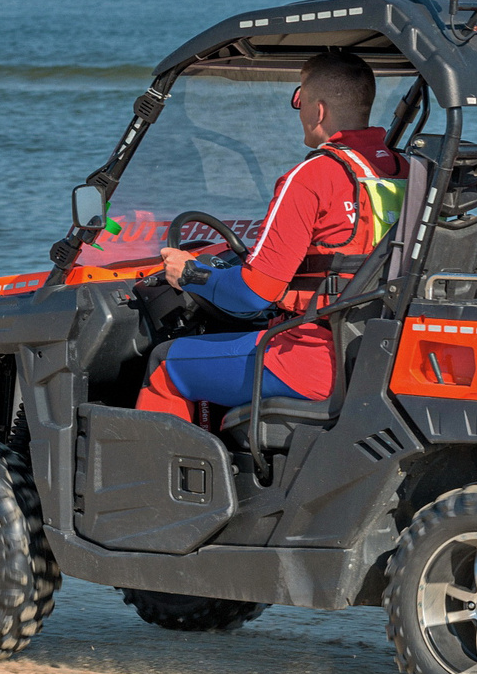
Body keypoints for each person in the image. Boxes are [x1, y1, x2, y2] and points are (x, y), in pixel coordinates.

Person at [136, 51, 409, 422]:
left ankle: (155, 482)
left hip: (310, 359)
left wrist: (191, 273)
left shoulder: (312, 177)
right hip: (381, 356)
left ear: (318, 110)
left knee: (165, 363)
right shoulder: (407, 171)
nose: (298, 112)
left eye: (299, 99)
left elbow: (252, 294)